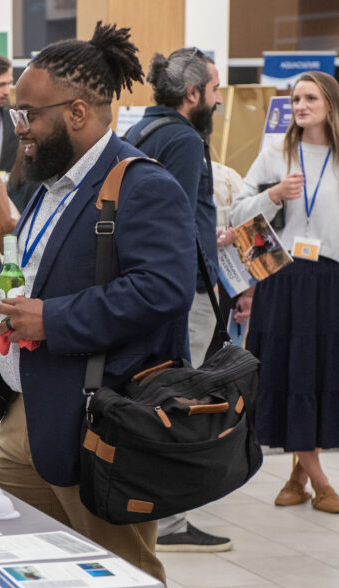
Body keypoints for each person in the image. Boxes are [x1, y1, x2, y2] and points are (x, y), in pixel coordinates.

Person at [0, 26, 197, 583]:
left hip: (96, 419)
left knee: (118, 579)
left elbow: (163, 289)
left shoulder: (142, 184)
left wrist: (52, 318)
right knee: (32, 576)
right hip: (25, 410)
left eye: (27, 114)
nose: (20, 129)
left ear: (77, 113)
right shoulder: (47, 184)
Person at [230, 71, 339, 514]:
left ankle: (298, 476)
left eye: (309, 98)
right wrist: (274, 194)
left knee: (320, 375)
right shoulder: (276, 154)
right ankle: (322, 483)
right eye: (295, 99)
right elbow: (239, 210)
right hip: (280, 278)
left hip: (329, 282)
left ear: (330, 104)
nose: (300, 106)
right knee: (287, 373)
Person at [122, 47, 232, 553]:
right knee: (175, 399)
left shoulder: (140, 131)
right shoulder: (184, 140)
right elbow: (180, 220)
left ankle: (151, 510)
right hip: (175, 293)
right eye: (213, 91)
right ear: (192, 95)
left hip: (144, 287)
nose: (218, 100)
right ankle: (169, 522)